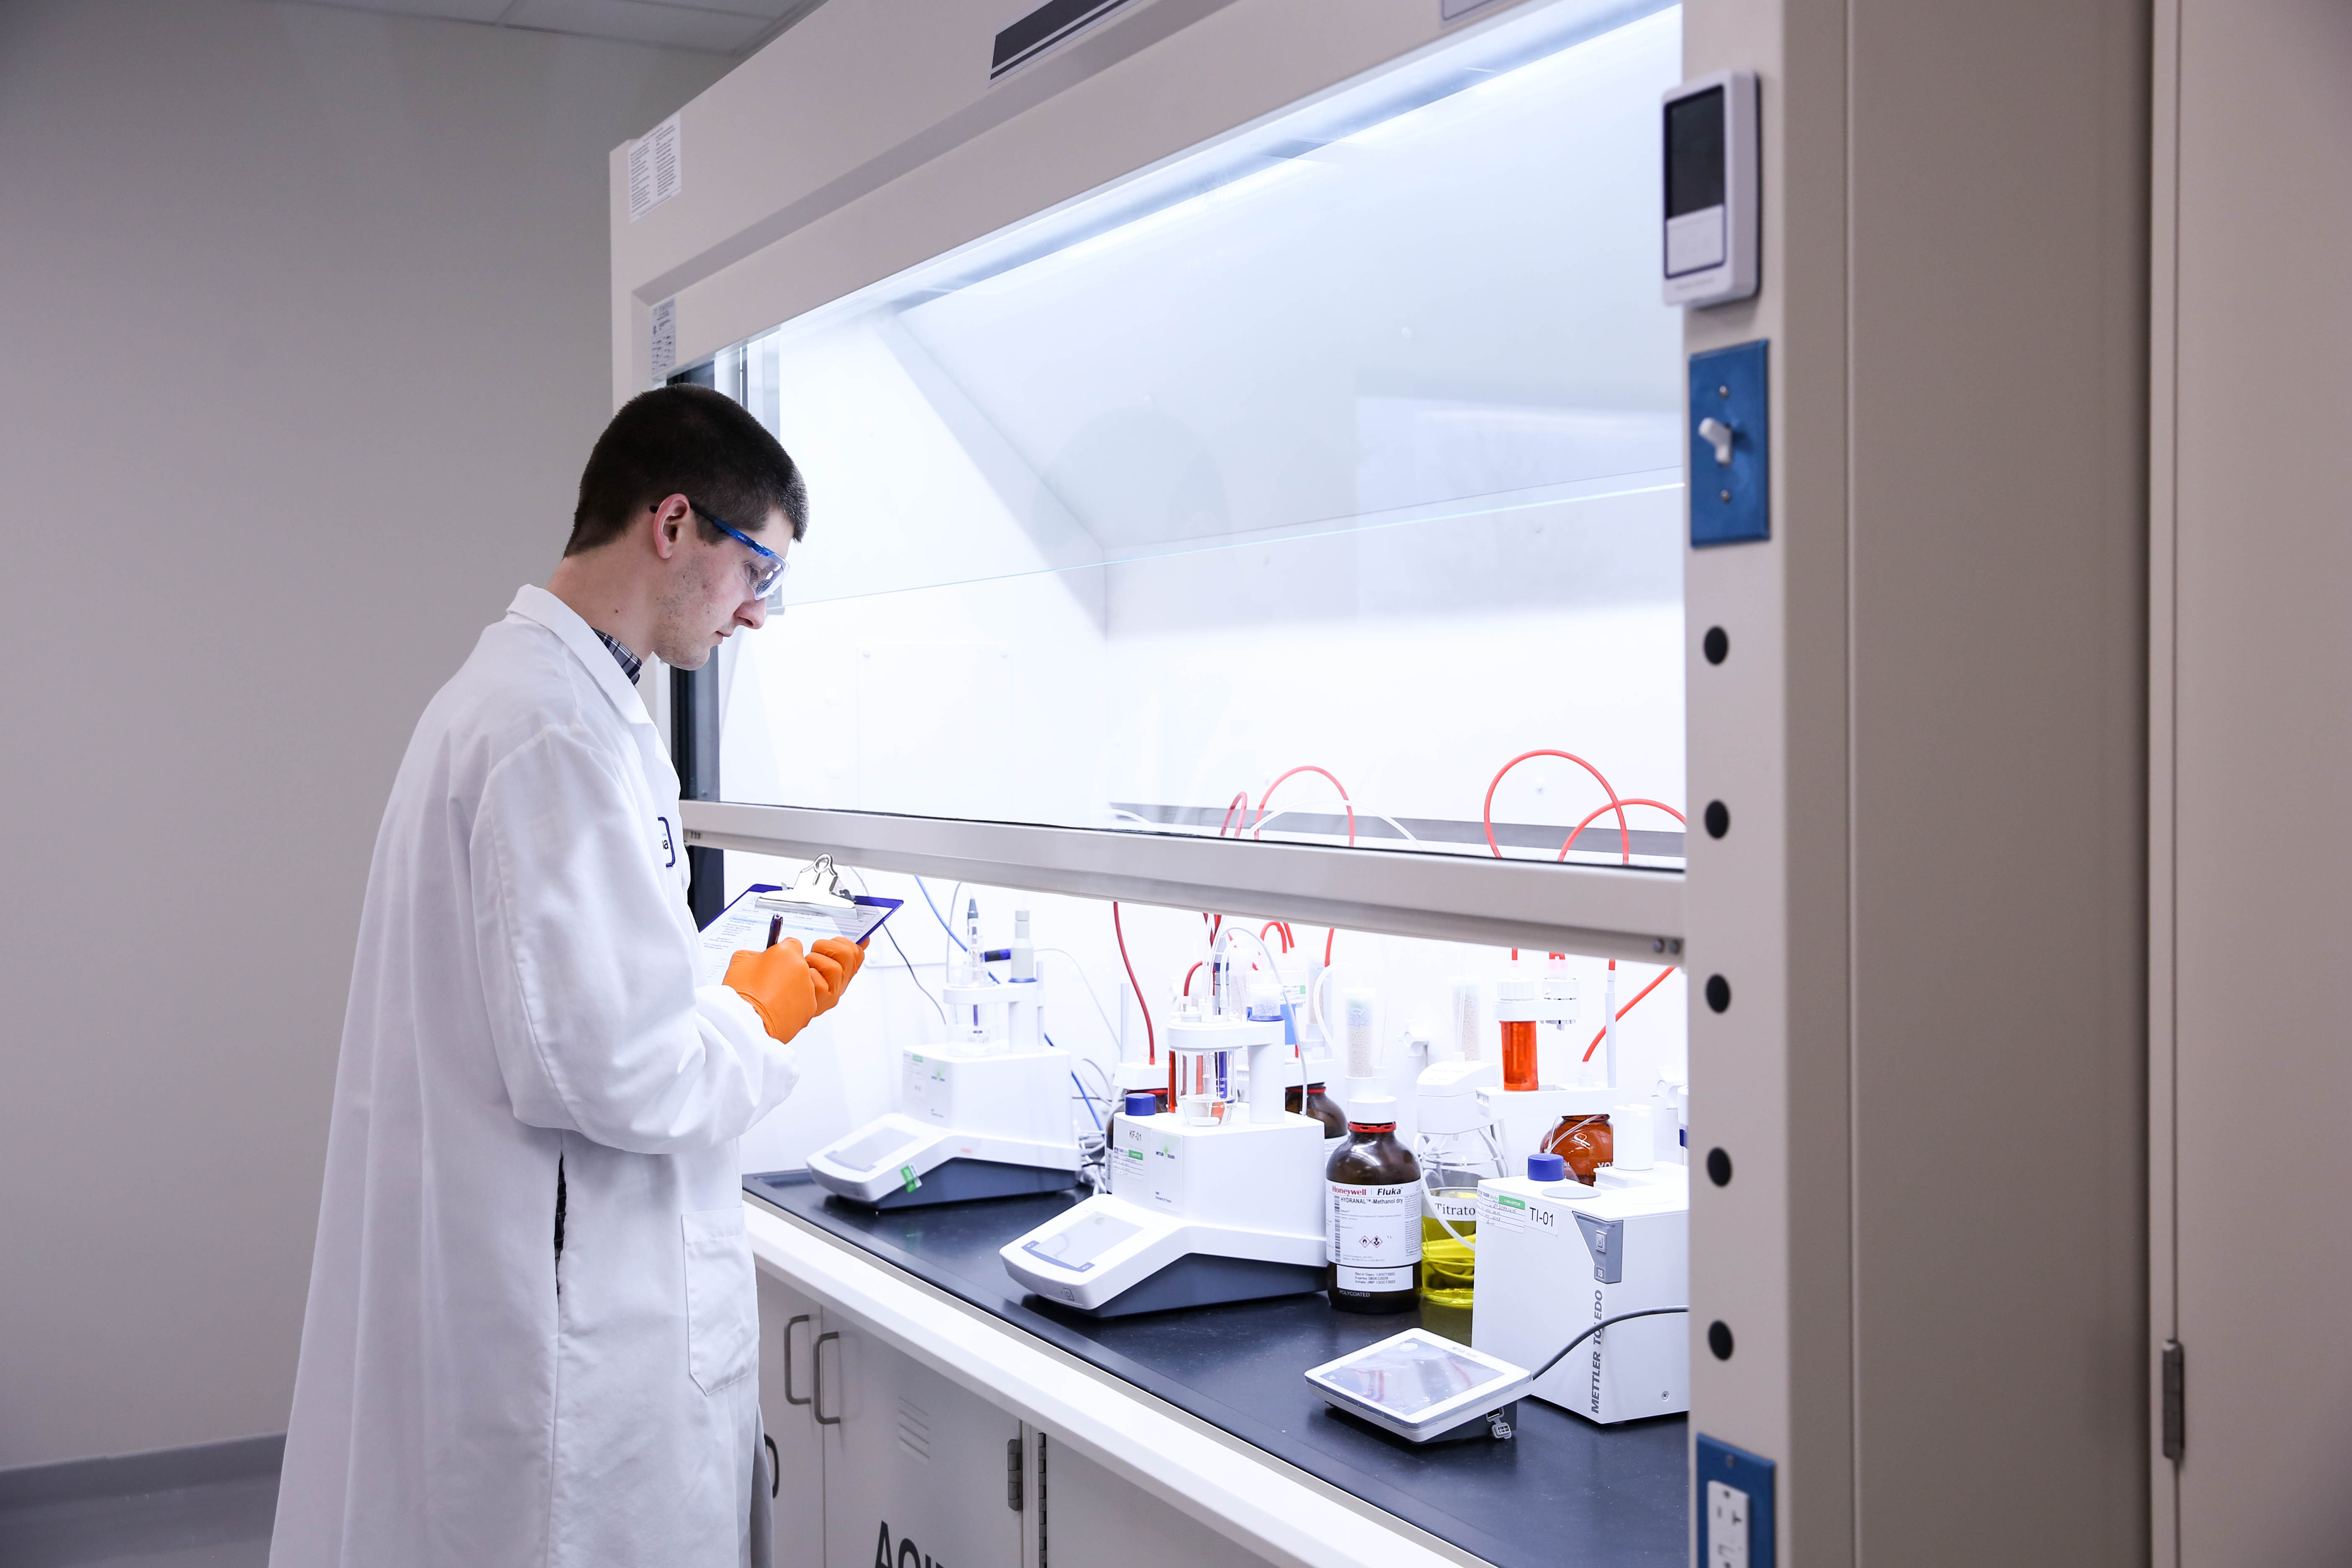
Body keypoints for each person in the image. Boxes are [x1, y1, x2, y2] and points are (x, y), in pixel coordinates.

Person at [270, 385, 859, 1567]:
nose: (754, 617)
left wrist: (706, 985)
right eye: (759, 572)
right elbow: (612, 1070)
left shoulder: (554, 707)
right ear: (675, 524)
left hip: (534, 1264)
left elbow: (572, 993)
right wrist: (760, 1015)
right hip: (567, 1316)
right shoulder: (547, 728)